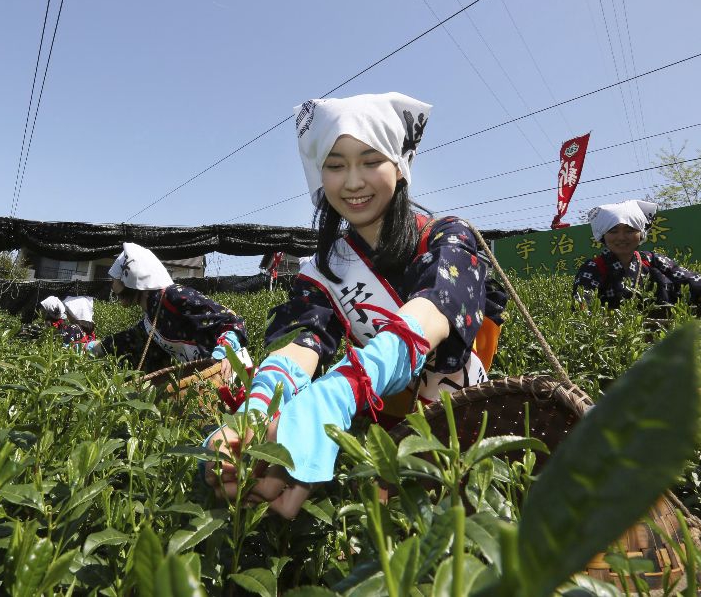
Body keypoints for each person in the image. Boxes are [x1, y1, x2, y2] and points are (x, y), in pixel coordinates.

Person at [203, 92, 507, 518]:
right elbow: (300, 344)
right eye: (335, 164)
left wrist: (336, 394)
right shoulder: (324, 270)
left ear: (399, 168)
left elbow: (433, 310)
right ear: (318, 177)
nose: (352, 181)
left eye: (370, 160)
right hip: (386, 420)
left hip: (460, 416)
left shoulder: (446, 237)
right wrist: (255, 415)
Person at [572, 200, 701, 324]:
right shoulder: (593, 268)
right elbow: (584, 308)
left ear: (641, 233)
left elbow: (695, 284)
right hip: (618, 341)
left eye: (630, 230)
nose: (622, 237)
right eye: (613, 231)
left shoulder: (653, 260)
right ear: (602, 235)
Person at [87, 242, 253, 372]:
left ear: (129, 276)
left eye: (114, 279)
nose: (112, 285)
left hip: (228, 373)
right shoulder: (151, 318)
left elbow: (230, 320)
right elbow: (128, 339)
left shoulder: (173, 296)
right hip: (205, 383)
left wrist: (227, 349)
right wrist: (93, 348)